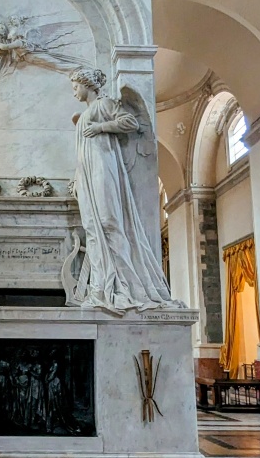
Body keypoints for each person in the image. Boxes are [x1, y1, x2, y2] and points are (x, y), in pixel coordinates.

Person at [69, 68, 181, 314]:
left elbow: (130, 122)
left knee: (110, 223)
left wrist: (101, 127)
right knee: (93, 228)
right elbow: (80, 155)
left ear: (87, 84)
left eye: (76, 85)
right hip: (87, 174)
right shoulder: (84, 114)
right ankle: (100, 285)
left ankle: (128, 284)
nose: (74, 90)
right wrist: (77, 180)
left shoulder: (103, 104)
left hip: (104, 169)